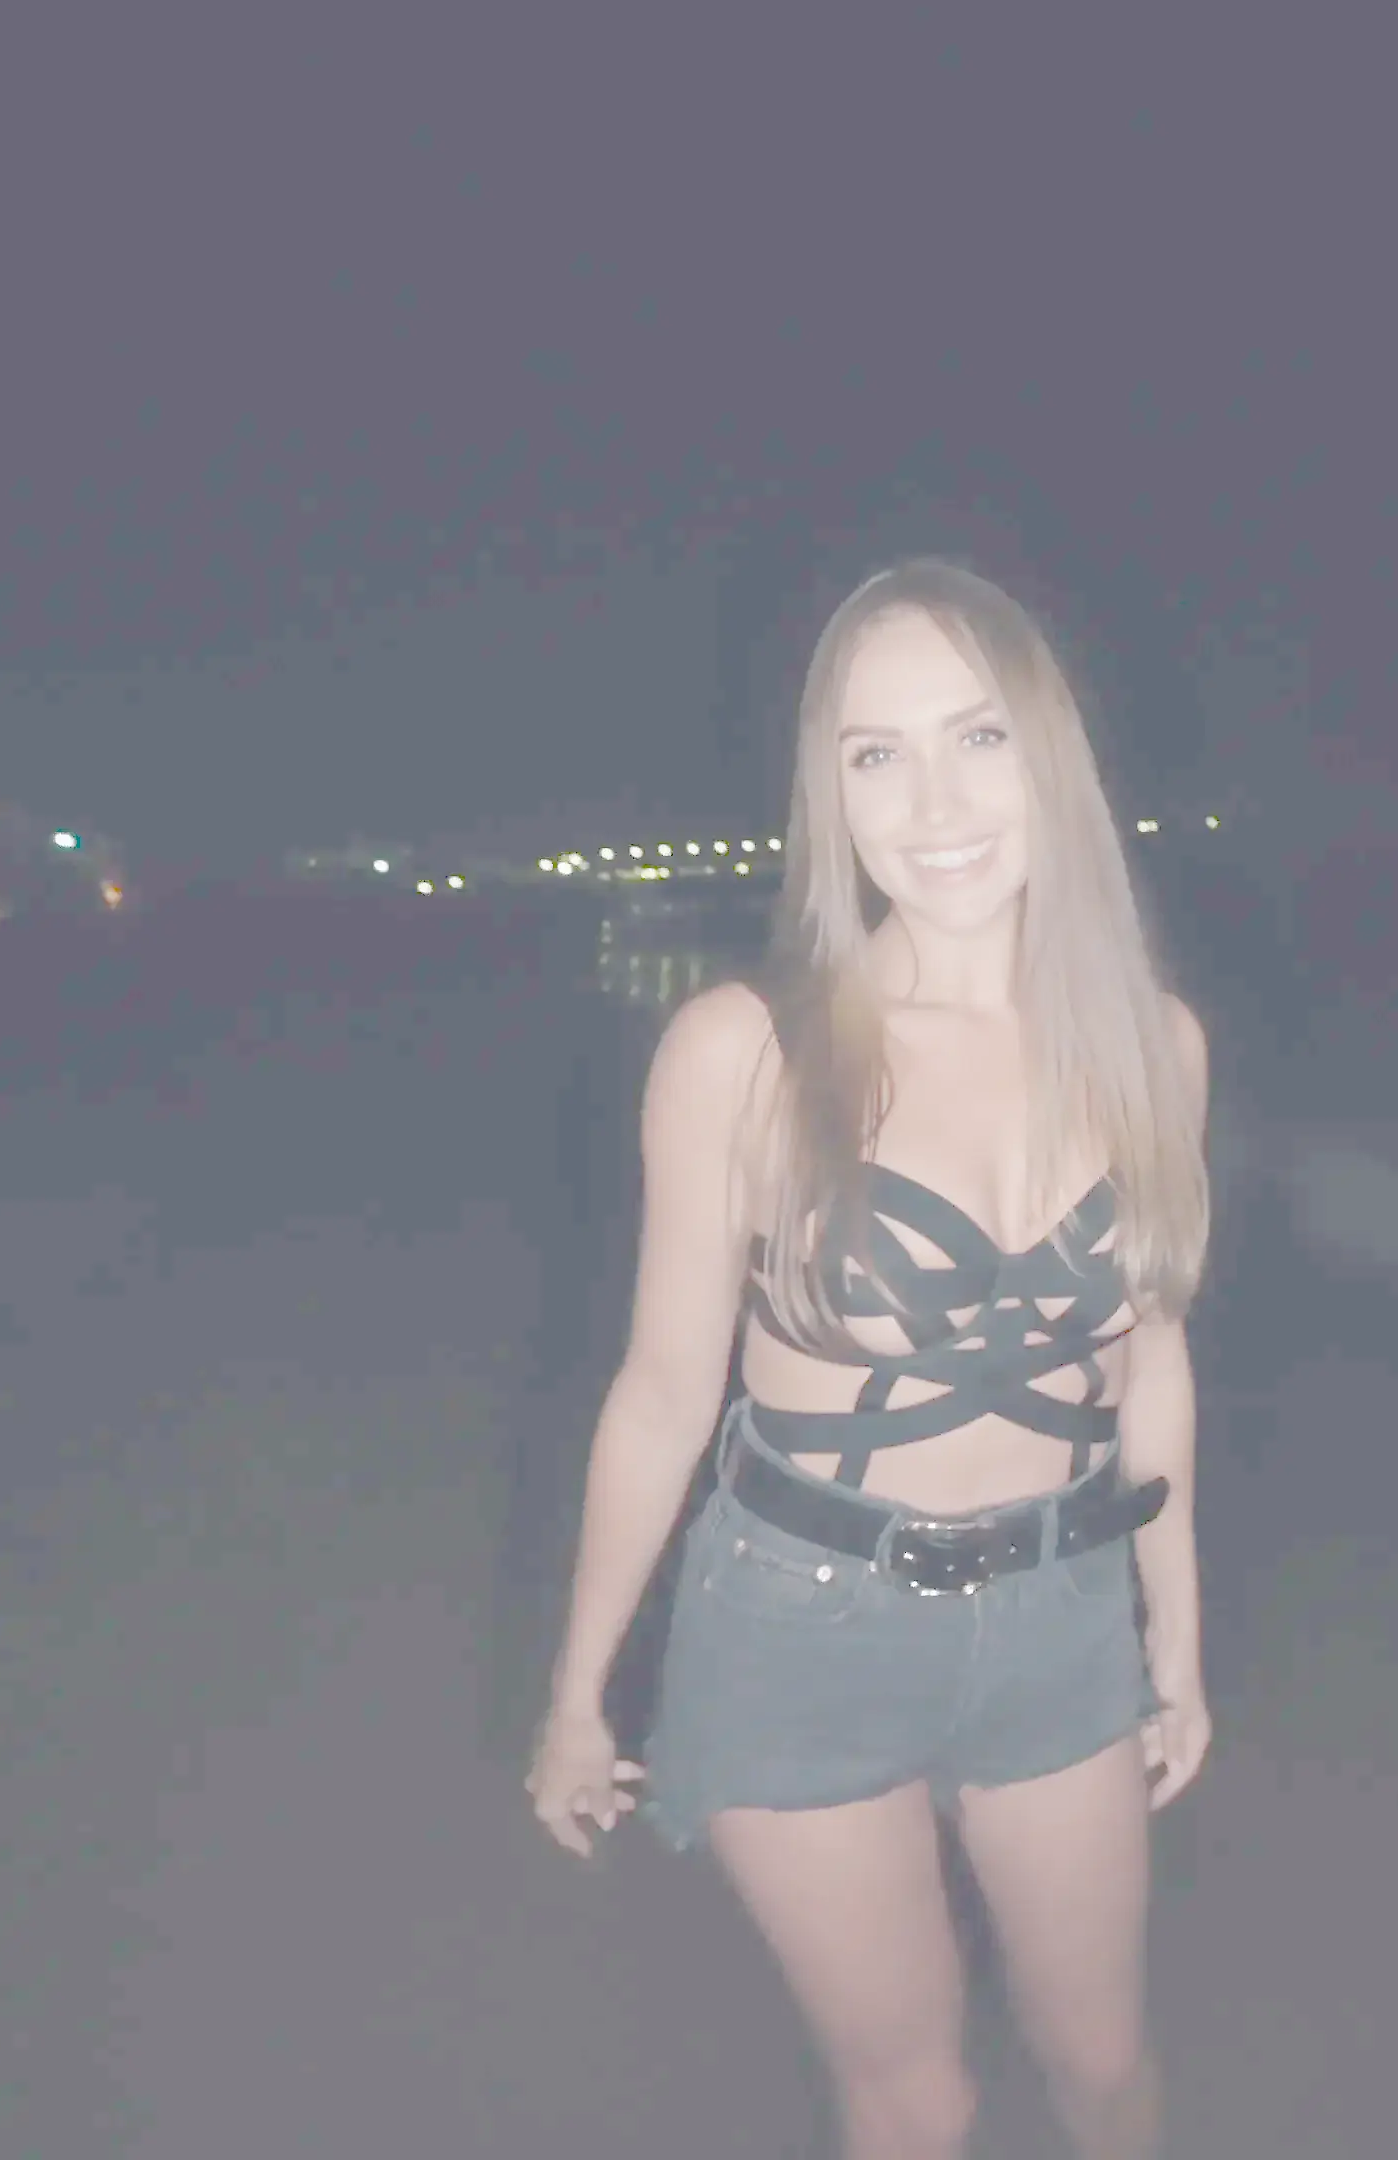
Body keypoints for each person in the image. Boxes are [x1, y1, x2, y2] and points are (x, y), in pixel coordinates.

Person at [526, 556, 1215, 2160]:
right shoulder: (746, 1051)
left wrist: (1176, 1645)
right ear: (827, 795)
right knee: (914, 2100)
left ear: (1050, 757)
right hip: (799, 1628)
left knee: (1104, 2062)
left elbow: (1153, 1364)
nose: (934, 803)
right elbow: (661, 1395)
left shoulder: (1155, 1044)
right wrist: (577, 1691)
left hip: (1059, 1614)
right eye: (875, 754)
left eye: (978, 738)